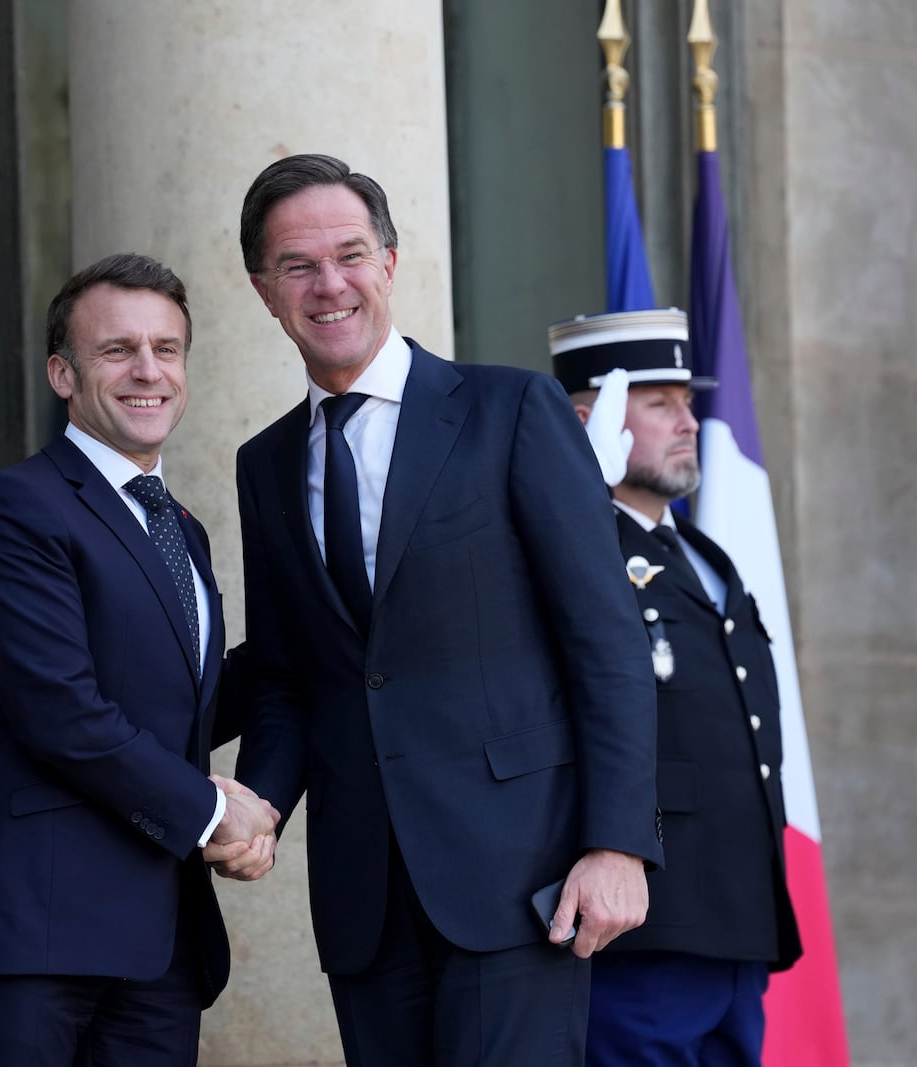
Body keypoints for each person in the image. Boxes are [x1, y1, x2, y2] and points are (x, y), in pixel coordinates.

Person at [229, 153, 663, 1066]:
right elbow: (285, 677)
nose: (329, 283)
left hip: (519, 880)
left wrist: (618, 843)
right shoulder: (263, 465)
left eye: (350, 253)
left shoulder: (512, 410)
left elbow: (606, 640)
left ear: (389, 262)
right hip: (365, 897)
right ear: (264, 290)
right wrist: (261, 799)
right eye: (298, 265)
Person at [0, 253, 279, 1067]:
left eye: (167, 348)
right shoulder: (14, 509)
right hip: (31, 938)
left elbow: (178, 711)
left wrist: (324, 637)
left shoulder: (180, 528)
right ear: (63, 374)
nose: (147, 370)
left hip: (158, 946)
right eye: (118, 350)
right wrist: (215, 813)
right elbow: (63, 714)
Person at [550, 308, 802, 1067]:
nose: (689, 421)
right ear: (592, 419)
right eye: (659, 403)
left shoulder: (700, 553)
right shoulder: (575, 542)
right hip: (647, 923)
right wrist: (572, 494)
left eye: (687, 400)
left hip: (734, 918)